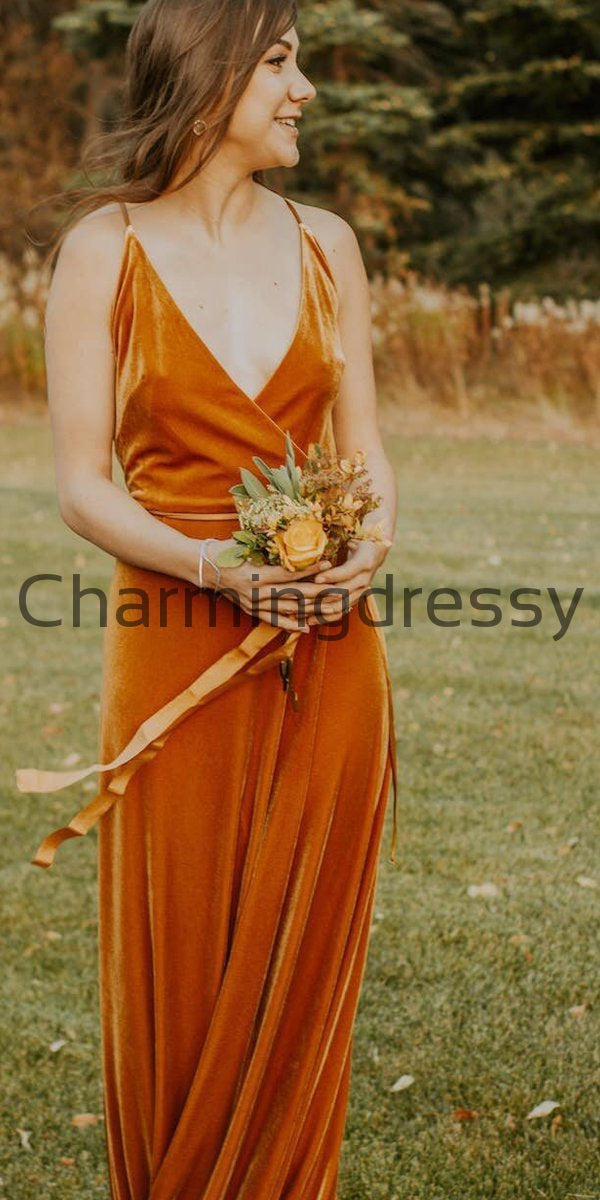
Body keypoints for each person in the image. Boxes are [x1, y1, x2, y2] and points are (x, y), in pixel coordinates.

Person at [17, 1, 399, 1195]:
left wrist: (366, 546)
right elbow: (83, 486)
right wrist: (223, 574)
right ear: (211, 70)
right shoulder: (104, 249)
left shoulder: (329, 243)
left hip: (331, 656)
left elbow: (367, 456)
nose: (306, 90)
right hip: (174, 648)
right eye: (281, 62)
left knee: (302, 972)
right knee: (179, 962)